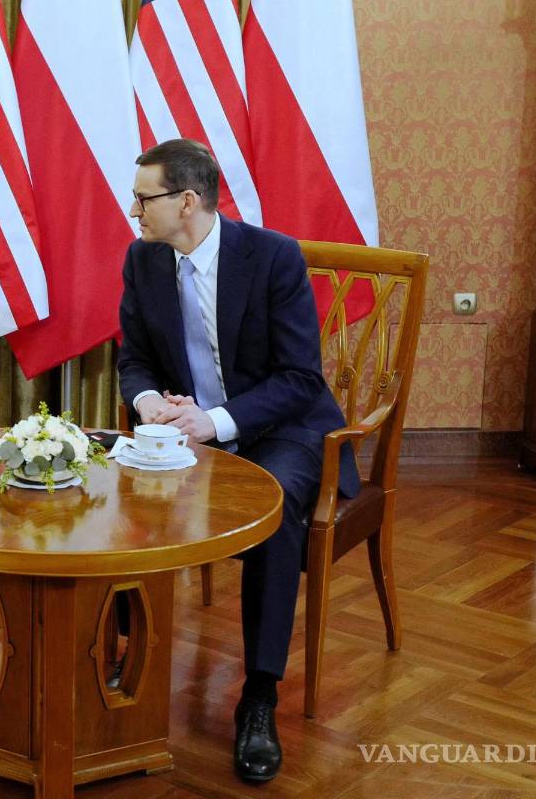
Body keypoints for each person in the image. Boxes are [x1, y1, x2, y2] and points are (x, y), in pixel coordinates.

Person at [117, 139, 361, 782]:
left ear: (188, 202)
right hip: (187, 429)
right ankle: (125, 654)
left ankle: (258, 697)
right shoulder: (144, 261)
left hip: (280, 426)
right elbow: (134, 358)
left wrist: (217, 421)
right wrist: (148, 403)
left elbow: (301, 378)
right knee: (113, 488)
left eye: (144, 199)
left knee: (274, 507)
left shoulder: (273, 258)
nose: (134, 210)